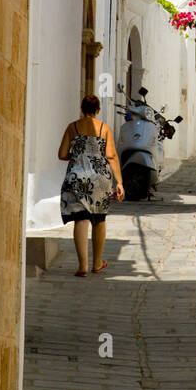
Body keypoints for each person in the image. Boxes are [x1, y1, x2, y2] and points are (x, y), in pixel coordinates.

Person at [58, 95, 125, 277]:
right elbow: (111, 156)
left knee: (81, 219)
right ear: (98, 110)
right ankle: (97, 262)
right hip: (99, 178)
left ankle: (82, 266)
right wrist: (119, 182)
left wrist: (79, 157)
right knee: (99, 220)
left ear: (81, 109)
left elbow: (62, 153)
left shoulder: (73, 127)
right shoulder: (104, 129)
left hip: (77, 177)